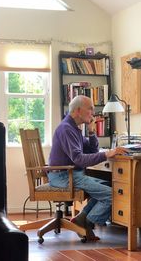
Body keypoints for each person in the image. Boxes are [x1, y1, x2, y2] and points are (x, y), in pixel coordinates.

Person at [48, 95, 128, 240]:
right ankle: (87, 224)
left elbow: (91, 151)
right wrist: (107, 154)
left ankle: (82, 218)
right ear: (78, 111)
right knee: (112, 194)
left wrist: (91, 132)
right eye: (90, 108)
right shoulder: (66, 129)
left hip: (72, 174)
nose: (93, 112)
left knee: (110, 186)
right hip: (64, 176)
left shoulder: (74, 128)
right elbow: (79, 159)